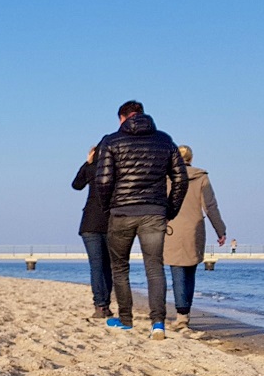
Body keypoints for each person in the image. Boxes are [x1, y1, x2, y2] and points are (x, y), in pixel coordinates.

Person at [95, 100, 188, 340]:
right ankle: (157, 323)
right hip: (154, 212)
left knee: (120, 267)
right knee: (155, 268)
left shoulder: (111, 140)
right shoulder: (164, 140)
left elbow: (103, 181)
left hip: (121, 212)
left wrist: (108, 208)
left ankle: (126, 319)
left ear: (122, 118)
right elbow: (181, 180)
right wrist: (169, 210)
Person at [164, 145, 226, 329]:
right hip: (194, 228)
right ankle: (185, 313)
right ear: (191, 158)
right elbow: (210, 206)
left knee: (177, 272)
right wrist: (220, 231)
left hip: (172, 227)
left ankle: (181, 316)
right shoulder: (201, 177)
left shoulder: (167, 178)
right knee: (190, 271)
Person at [72, 145, 113, 318]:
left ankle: (100, 305)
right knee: (107, 266)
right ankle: (105, 304)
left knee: (96, 266)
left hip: (90, 222)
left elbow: (76, 185)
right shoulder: (114, 170)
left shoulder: (92, 169)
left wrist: (87, 163)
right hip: (110, 222)